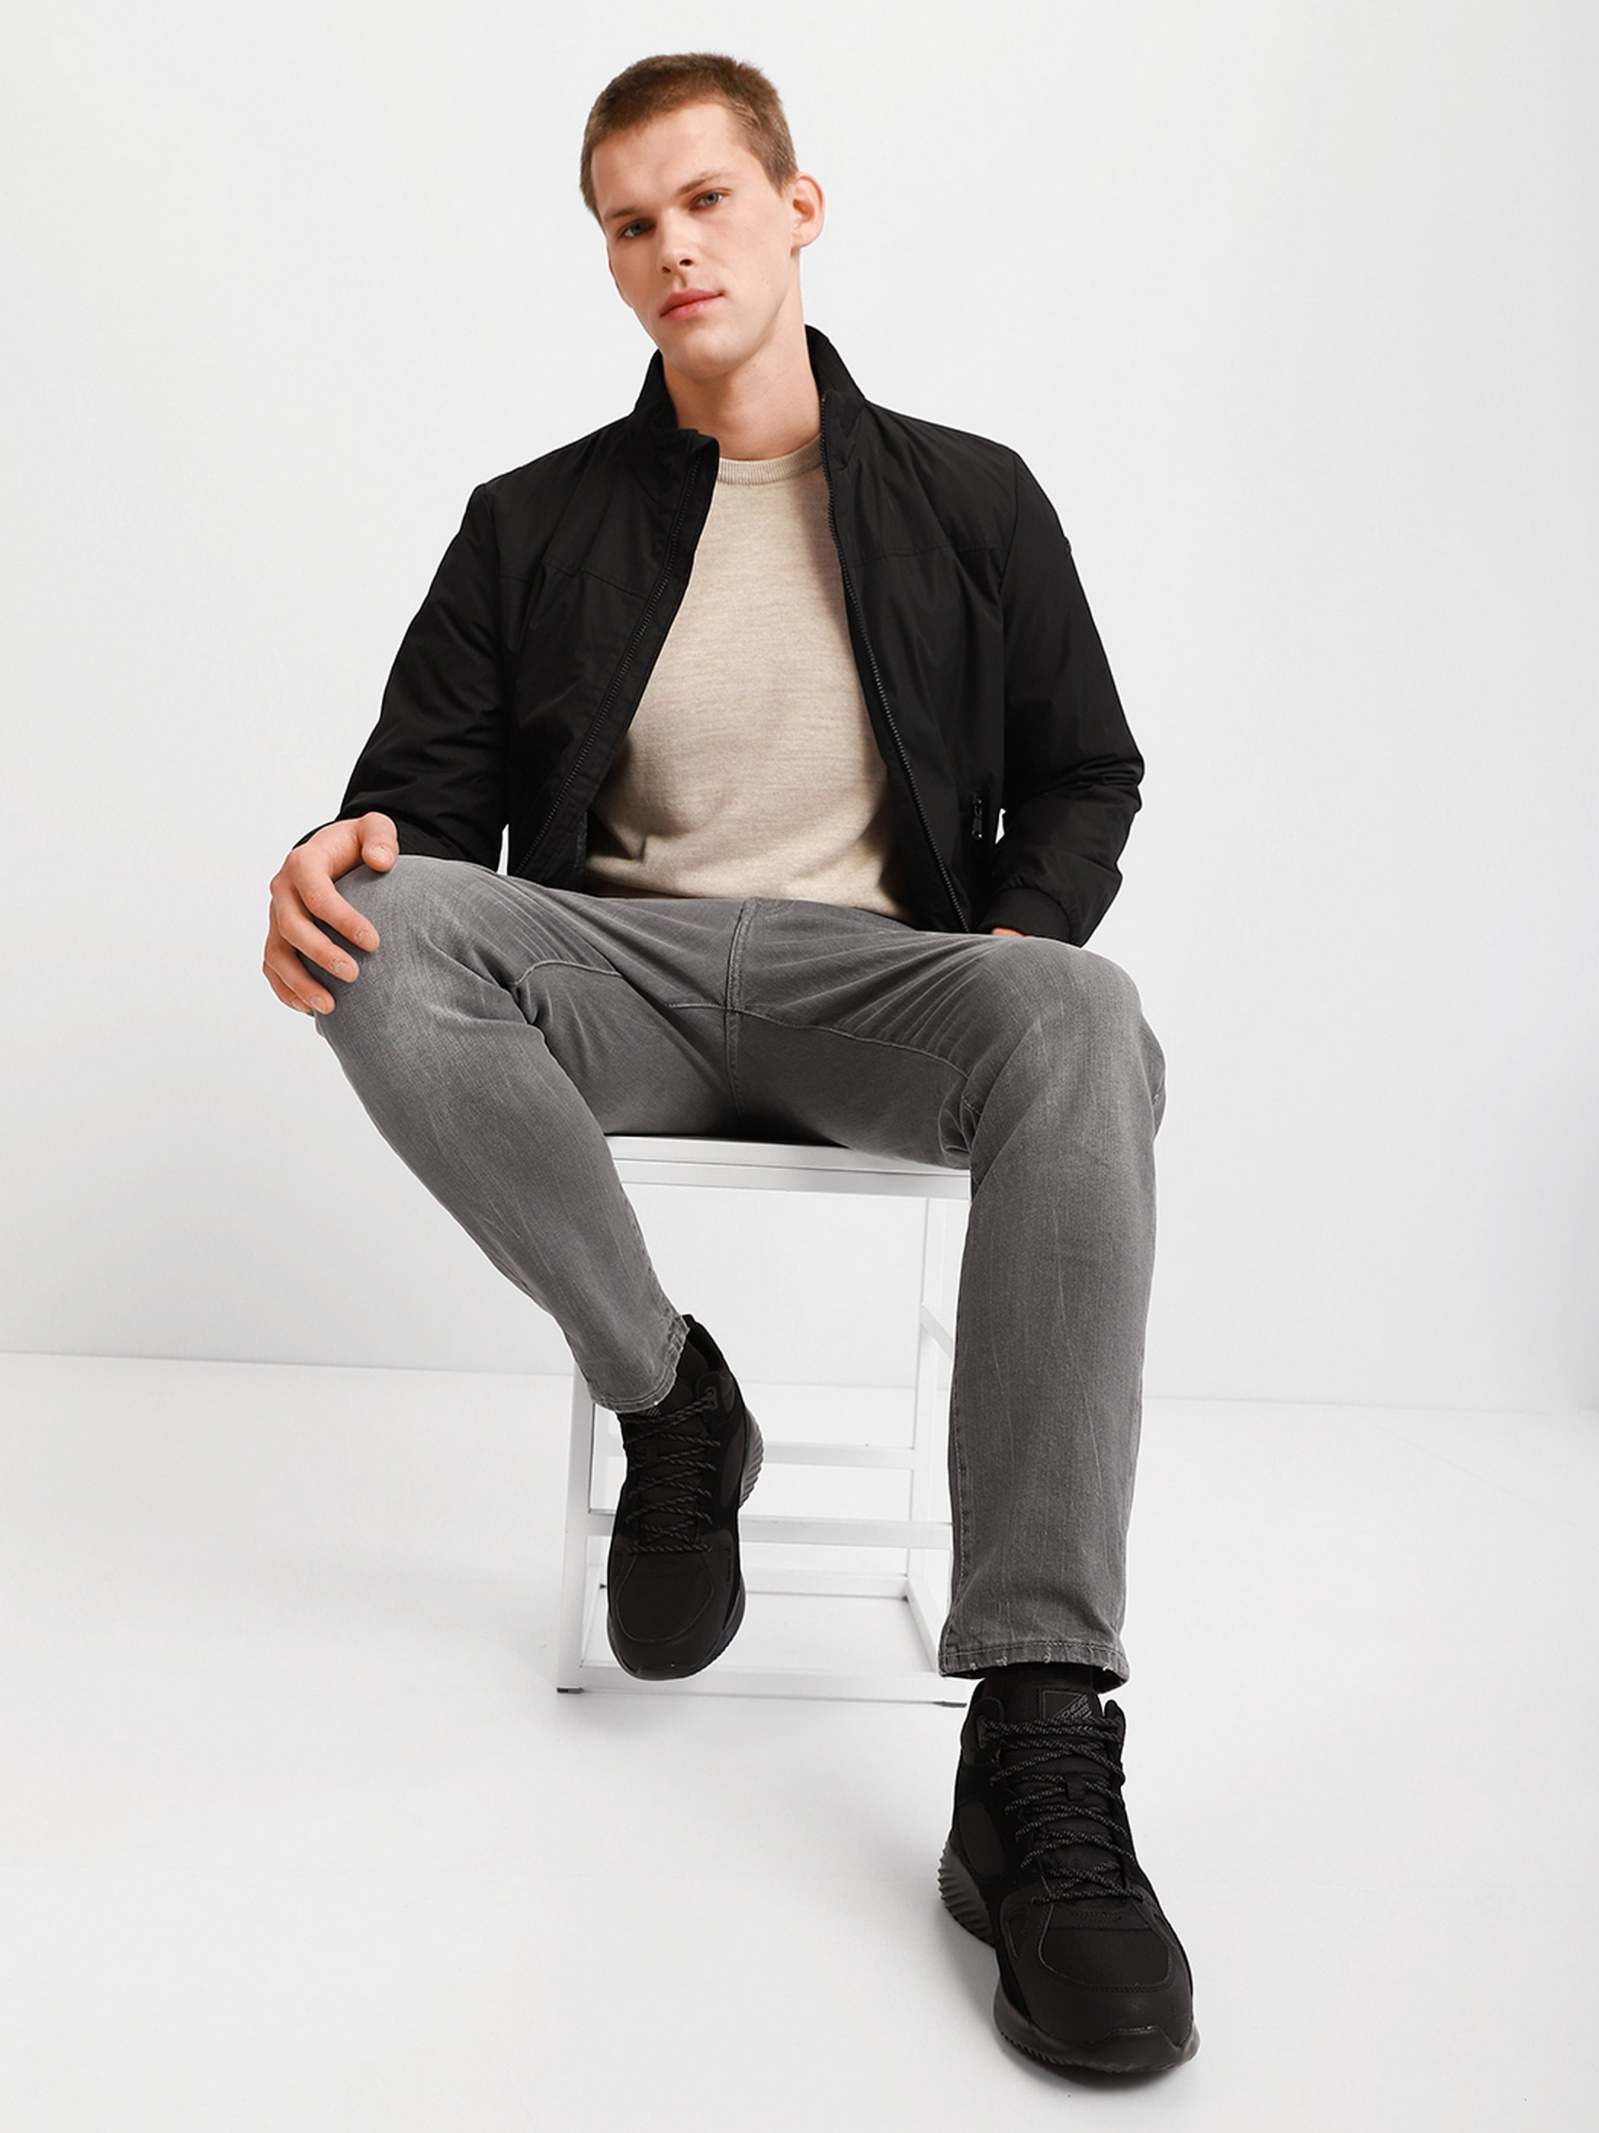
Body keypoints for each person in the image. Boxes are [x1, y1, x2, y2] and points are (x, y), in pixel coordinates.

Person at [261, 52, 1195, 2076]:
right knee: (378, 927)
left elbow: (1085, 768)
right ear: (607, 259)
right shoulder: (531, 523)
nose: (671, 246)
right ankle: (671, 1397)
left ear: (796, 208)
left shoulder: (971, 496)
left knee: (1085, 1013)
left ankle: (1038, 1732)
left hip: (883, 982)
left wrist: (1011, 944)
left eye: (703, 200)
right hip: (622, 973)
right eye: (630, 221)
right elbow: (416, 813)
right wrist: (339, 861)